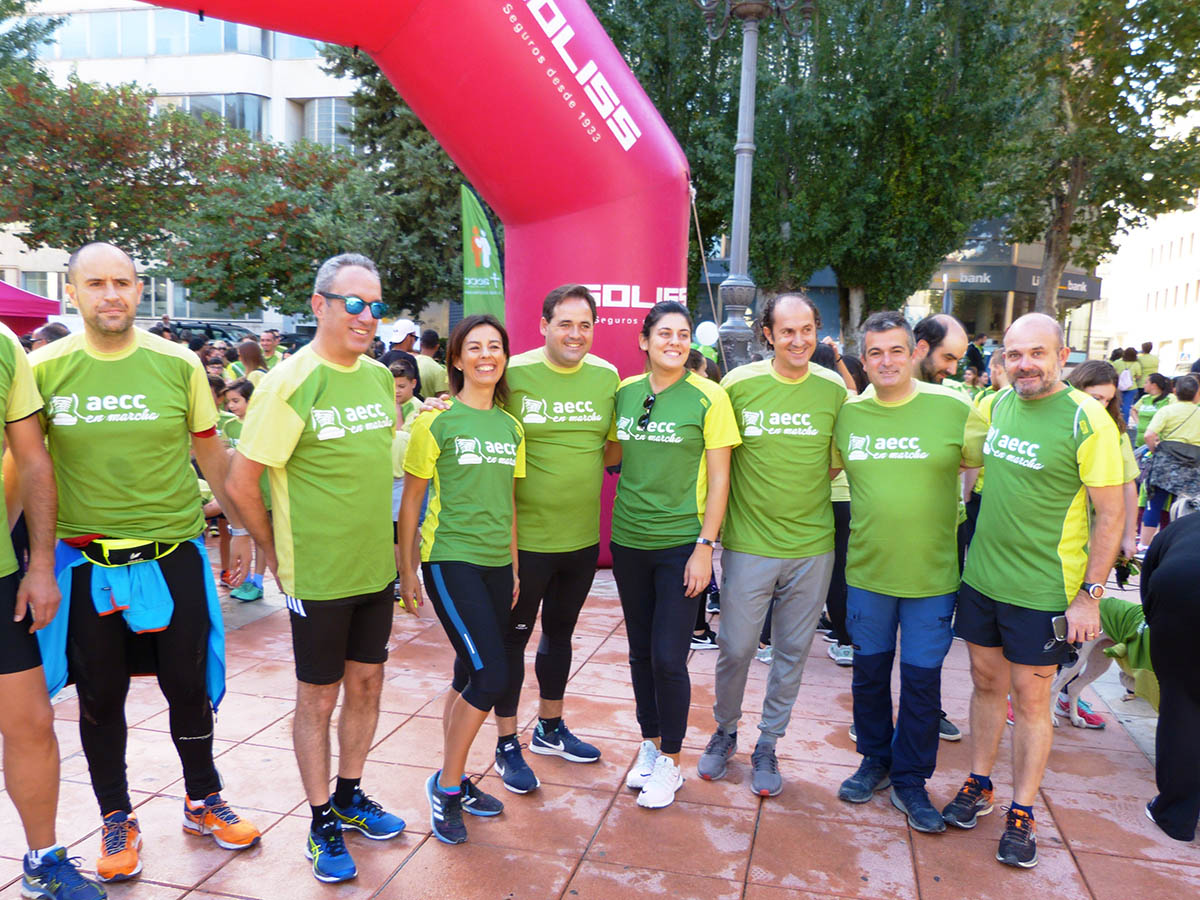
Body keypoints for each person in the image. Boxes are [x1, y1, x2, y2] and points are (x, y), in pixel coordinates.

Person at [30, 242, 260, 884]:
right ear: (71, 293)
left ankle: (202, 797)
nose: (112, 295)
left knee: (188, 687)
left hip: (172, 553)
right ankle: (115, 815)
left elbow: (213, 455)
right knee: (99, 699)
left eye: (124, 283)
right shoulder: (43, 368)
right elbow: (24, 463)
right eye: (96, 284)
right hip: (86, 561)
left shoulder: (179, 363)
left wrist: (239, 526)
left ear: (139, 289)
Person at [227, 253, 407, 882]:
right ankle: (320, 817)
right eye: (353, 303)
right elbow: (241, 481)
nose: (366, 317)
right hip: (318, 576)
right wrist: (274, 552)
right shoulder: (289, 382)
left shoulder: (380, 378)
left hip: (371, 570)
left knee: (368, 686)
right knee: (317, 697)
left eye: (375, 305)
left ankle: (352, 796)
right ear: (320, 304)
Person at [945, 313, 1123, 869]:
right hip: (982, 579)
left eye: (1037, 353)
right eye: (1014, 354)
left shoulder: (1086, 418)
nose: (1024, 364)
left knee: (1032, 699)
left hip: (1045, 591)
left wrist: (1088, 598)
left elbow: (1112, 515)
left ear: (1061, 355)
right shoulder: (994, 405)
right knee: (983, 683)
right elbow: (962, 460)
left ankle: (1022, 811)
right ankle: (980, 783)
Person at [832, 311, 986, 834]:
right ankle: (874, 759)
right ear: (864, 356)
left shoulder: (953, 406)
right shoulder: (849, 415)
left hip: (932, 579)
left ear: (915, 350)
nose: (886, 361)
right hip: (868, 574)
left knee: (922, 684)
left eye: (895, 350)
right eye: (874, 352)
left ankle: (912, 780)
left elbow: (990, 469)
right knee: (870, 677)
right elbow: (820, 470)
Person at [697, 293, 846, 797]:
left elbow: (834, 461)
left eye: (806, 330)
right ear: (768, 334)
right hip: (749, 544)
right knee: (735, 647)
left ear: (816, 330)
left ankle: (769, 742)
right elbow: (717, 456)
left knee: (791, 651)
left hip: (812, 547)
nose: (798, 340)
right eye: (787, 331)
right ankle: (725, 731)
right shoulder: (739, 385)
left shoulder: (832, 390)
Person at [605, 301, 740, 809]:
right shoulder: (624, 393)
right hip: (628, 541)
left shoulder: (710, 397)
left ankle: (673, 761)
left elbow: (721, 477)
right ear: (644, 341)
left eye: (683, 334)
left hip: (683, 544)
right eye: (665, 333)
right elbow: (610, 453)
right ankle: (650, 743)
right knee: (641, 652)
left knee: (668, 657)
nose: (675, 342)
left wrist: (706, 547)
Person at [397, 314, 523, 844]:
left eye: (495, 346)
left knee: (467, 675)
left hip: (497, 565)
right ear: (456, 358)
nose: (486, 355)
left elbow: (509, 503)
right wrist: (406, 569)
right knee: (493, 677)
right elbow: (412, 500)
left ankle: (454, 779)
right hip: (450, 559)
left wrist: (514, 565)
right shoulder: (436, 422)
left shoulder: (511, 426)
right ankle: (448, 788)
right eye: (475, 347)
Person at [487, 285, 618, 793]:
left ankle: (548, 727)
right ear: (543, 324)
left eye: (585, 324)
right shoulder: (513, 373)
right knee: (511, 641)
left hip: (581, 541)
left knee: (560, 635)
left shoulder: (606, 378)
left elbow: (611, 449)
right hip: (522, 544)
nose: (575, 334)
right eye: (565, 323)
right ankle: (505, 743)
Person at [0, 320, 106, 900]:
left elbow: (34, 459)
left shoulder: (3, 345)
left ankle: (42, 860)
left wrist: (41, 565)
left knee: (33, 723)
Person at [1140, 504, 1200, 842]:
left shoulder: (1183, 526)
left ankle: (1176, 816)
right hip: (1180, 588)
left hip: (1178, 594)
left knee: (1183, 705)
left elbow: (1148, 591)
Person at [220, 380, 269, 603]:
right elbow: (221, 453)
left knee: (262, 538)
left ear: (251, 400)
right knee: (240, 534)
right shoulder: (230, 425)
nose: (232, 406)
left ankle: (258, 581)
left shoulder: (262, 424)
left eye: (237, 401)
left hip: (264, 491)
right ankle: (243, 578)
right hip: (239, 492)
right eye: (229, 402)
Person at [1138, 374, 1200, 551]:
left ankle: (1144, 545)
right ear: (1196, 393)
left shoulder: (1167, 410)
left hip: (1165, 463)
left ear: (1175, 391)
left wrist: (1154, 450)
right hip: (1192, 466)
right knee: (1183, 507)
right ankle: (1175, 545)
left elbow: (1149, 435)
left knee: (1154, 504)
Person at [913, 313, 969, 387]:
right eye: (948, 358)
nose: (953, 371)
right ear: (922, 348)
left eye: (958, 361)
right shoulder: (893, 391)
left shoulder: (954, 393)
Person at [1131, 373, 1172, 448]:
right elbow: (1133, 410)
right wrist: (1138, 423)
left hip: (1157, 443)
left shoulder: (1169, 398)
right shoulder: (1144, 398)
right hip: (1139, 442)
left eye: (1146, 382)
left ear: (1154, 385)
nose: (1144, 385)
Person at [418, 328, 450, 398]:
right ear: (437, 346)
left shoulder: (410, 362)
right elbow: (442, 398)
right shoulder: (439, 370)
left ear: (420, 344)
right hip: (429, 408)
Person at [1113, 347, 1142, 421]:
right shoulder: (1136, 364)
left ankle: (1115, 419)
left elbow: (1112, 372)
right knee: (1127, 406)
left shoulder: (1117, 362)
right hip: (1131, 387)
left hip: (1118, 387)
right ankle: (1124, 422)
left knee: (1116, 404)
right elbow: (1139, 376)